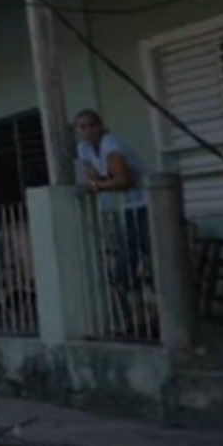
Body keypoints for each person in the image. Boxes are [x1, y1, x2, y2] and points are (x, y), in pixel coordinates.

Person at [74, 109, 152, 307]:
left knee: (146, 259)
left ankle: (149, 308)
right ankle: (137, 310)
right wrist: (98, 185)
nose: (88, 131)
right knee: (127, 261)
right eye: (83, 127)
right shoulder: (84, 148)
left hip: (144, 203)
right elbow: (92, 177)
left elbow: (123, 179)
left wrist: (99, 186)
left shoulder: (110, 144)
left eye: (92, 125)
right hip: (125, 207)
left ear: (100, 126)